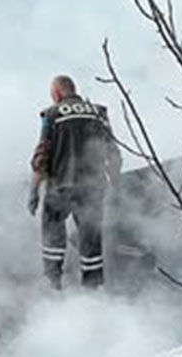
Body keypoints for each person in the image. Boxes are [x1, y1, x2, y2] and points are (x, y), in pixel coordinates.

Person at [28, 75, 121, 290]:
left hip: (60, 186)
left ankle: (53, 284)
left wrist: (34, 190)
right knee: (91, 237)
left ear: (58, 94)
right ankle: (92, 289)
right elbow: (113, 153)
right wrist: (115, 185)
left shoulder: (51, 115)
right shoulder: (98, 113)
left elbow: (42, 157)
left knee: (52, 236)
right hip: (93, 188)